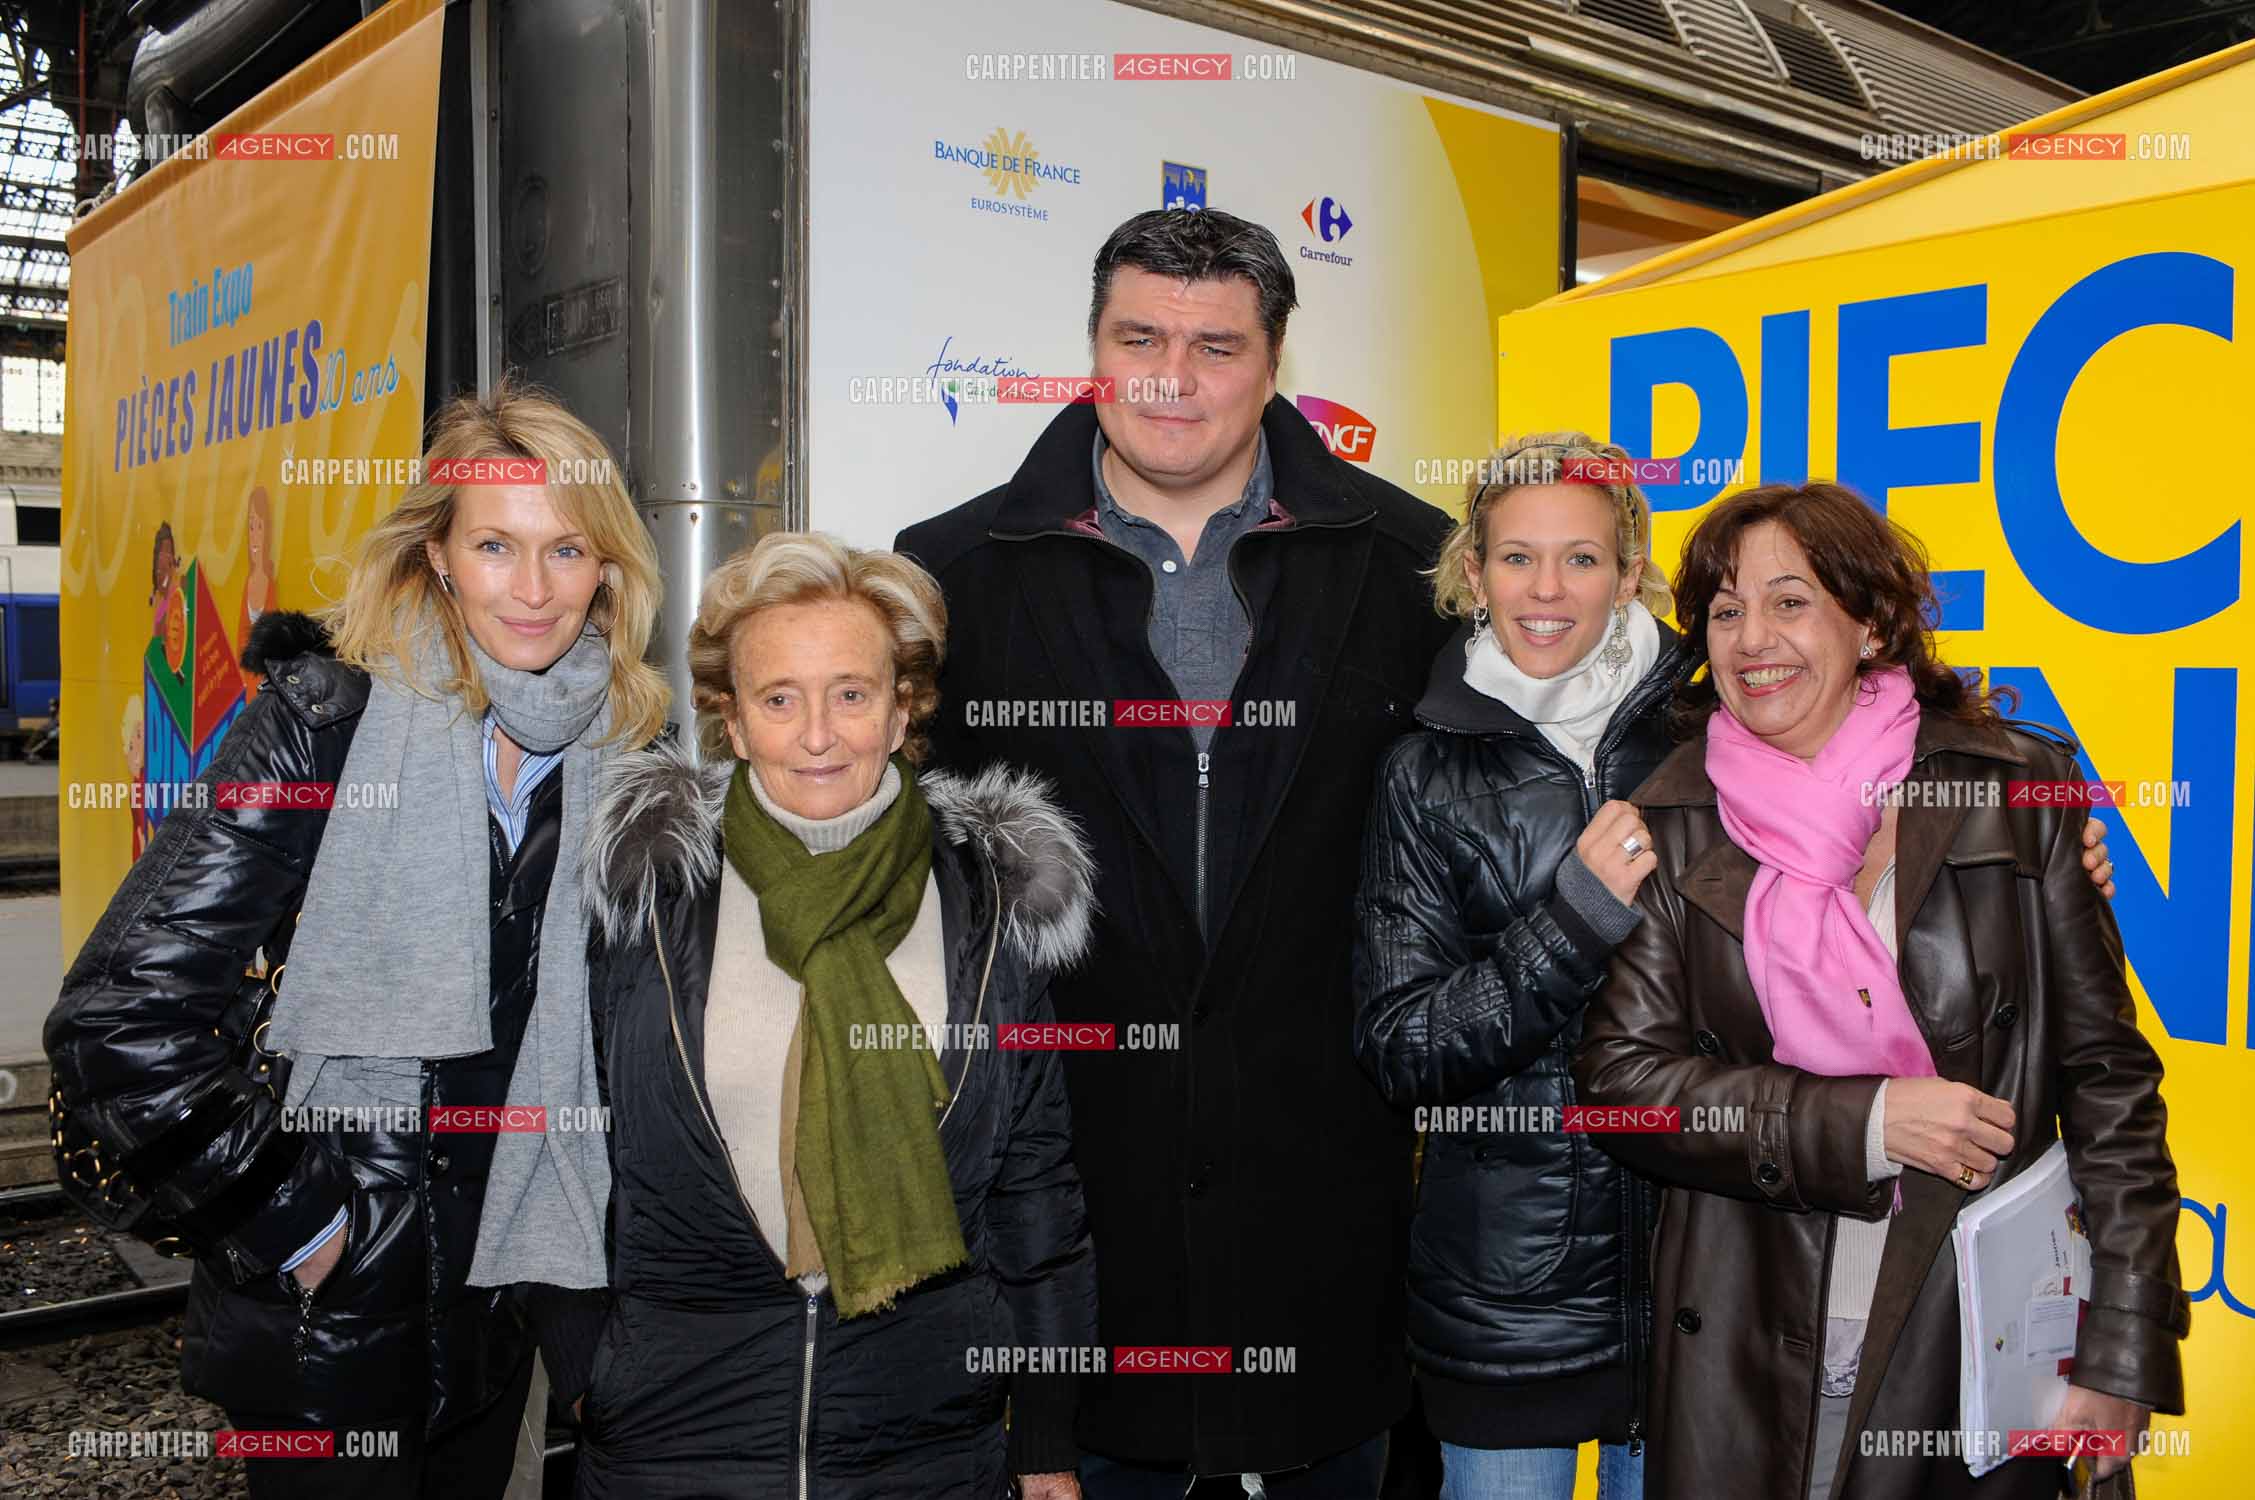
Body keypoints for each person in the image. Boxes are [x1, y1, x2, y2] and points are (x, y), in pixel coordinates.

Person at [897, 206, 1456, 1496]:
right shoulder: (950, 577)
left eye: (1215, 347)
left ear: (1274, 362)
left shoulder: (1414, 568)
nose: (1170, 378)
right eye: (1138, 338)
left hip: (1328, 1268)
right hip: (1067, 1262)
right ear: (1092, 347)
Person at [46, 379, 666, 1498]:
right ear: (437, 555)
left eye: (567, 550)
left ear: (608, 571)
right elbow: (119, 1020)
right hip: (326, 1329)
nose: (533, 589)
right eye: (495, 545)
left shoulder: (624, 761)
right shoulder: (324, 728)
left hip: (507, 1312)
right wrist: (302, 1225)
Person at [1572, 482, 2186, 1500]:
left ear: (1869, 623)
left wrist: (2121, 1348)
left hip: (1969, 1339)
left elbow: (2109, 1086)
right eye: (1724, 611)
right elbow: (1617, 1089)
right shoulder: (1669, 819)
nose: (1751, 639)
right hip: (1748, 1348)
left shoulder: (2013, 793)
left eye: (1789, 601)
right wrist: (1863, 1122)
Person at [570, 531, 1098, 1499]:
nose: (818, 735)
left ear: (902, 711)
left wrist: (1046, 1442)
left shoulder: (986, 904)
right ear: (732, 721)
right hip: (675, 1446)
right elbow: (565, 1153)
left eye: (851, 694)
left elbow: (1035, 1195)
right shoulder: (648, 895)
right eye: (779, 699)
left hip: (926, 1454)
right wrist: (586, 1378)